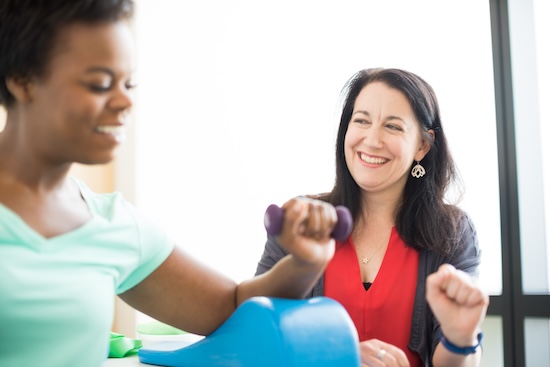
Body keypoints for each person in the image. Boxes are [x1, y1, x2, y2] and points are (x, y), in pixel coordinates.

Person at [0, 2, 340, 367]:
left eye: (128, 83)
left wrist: (305, 263)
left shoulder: (115, 225)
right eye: (99, 83)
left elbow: (234, 307)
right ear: (22, 80)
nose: (125, 100)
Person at [255, 68, 490, 367]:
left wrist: (461, 337)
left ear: (422, 145)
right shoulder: (301, 220)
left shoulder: (453, 231)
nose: (372, 139)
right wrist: (338, 356)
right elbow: (256, 333)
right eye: (362, 121)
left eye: (392, 127)